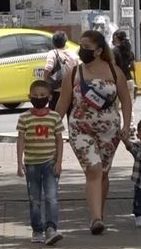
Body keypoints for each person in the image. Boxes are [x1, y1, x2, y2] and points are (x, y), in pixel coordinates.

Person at [56, 30, 132, 235]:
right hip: (80, 130)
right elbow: (62, 103)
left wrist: (126, 126)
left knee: (103, 173)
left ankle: (100, 213)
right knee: (94, 169)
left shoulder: (114, 71)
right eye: (81, 46)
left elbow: (126, 100)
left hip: (110, 132)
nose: (82, 50)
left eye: (87, 47)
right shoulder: (74, 73)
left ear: (98, 51)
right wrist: (51, 126)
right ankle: (95, 218)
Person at [17, 80, 65, 246]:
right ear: (29, 96)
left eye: (43, 95)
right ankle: (37, 229)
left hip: (50, 163)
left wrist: (59, 162)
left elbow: (59, 140)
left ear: (49, 97)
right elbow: (21, 140)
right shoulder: (24, 118)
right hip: (31, 164)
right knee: (34, 198)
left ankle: (51, 228)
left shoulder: (54, 117)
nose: (39, 98)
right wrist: (19, 163)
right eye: (35, 95)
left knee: (51, 197)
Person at [42, 31, 79, 111]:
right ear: (65, 41)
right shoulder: (73, 55)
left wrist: (45, 80)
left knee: (54, 114)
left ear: (53, 42)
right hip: (70, 90)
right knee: (71, 113)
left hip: (57, 90)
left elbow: (48, 68)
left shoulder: (52, 53)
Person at [113, 30, 137, 136]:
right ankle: (131, 127)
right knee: (129, 104)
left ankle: (116, 127)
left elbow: (112, 66)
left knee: (115, 106)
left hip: (118, 81)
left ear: (116, 38)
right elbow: (133, 67)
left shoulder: (114, 51)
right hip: (129, 80)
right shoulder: (129, 52)